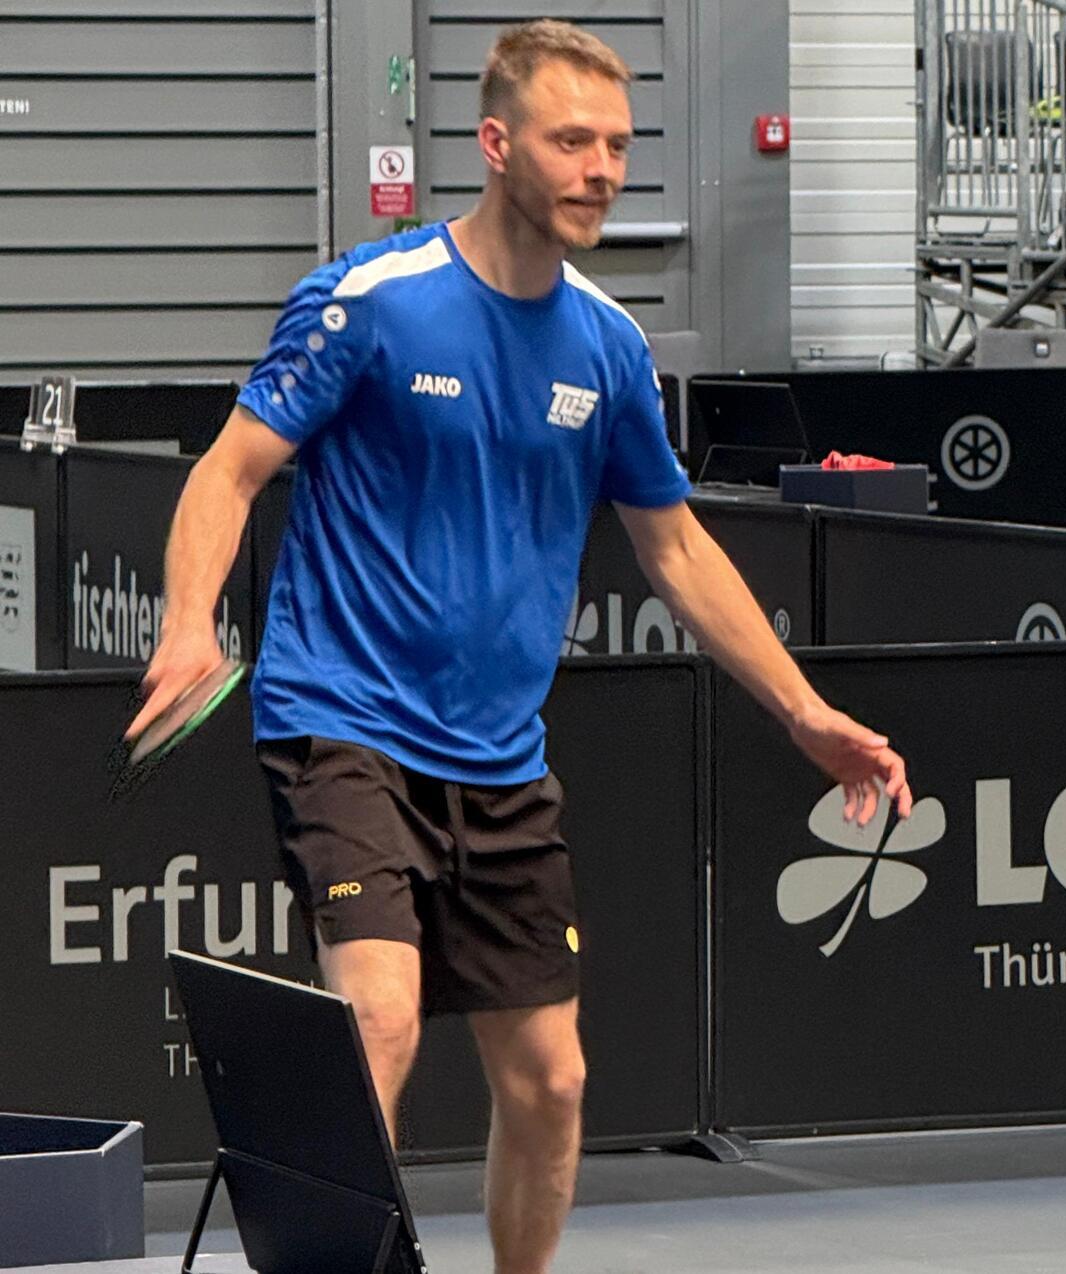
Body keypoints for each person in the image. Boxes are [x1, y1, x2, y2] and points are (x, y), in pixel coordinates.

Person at [125, 20, 911, 1274]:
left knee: (551, 1082)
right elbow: (227, 473)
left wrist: (806, 713)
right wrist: (185, 622)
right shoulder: (368, 305)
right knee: (376, 1020)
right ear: (496, 146)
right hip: (343, 716)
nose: (602, 168)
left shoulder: (608, 346)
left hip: (499, 756)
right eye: (571, 141)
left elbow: (680, 552)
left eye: (617, 145)